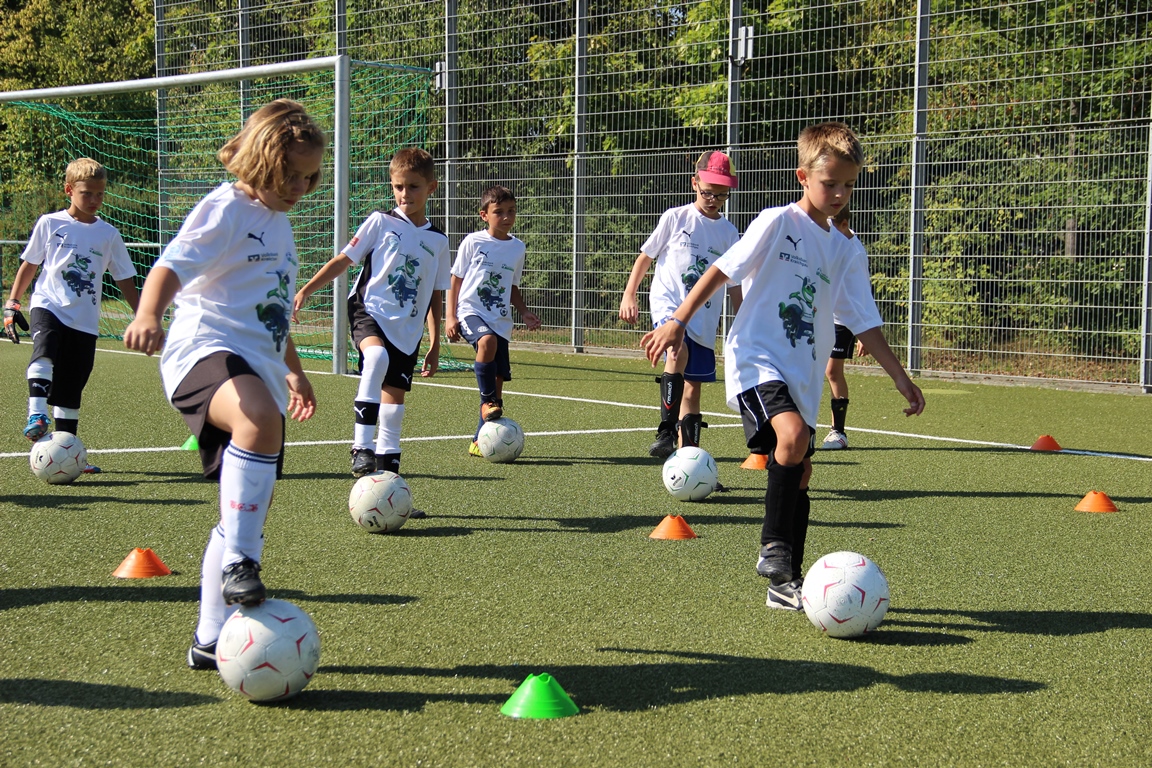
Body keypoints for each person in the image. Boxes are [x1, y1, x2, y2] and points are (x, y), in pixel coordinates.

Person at [642, 122, 924, 610]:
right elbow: (721, 269)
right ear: (802, 177)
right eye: (829, 183)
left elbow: (864, 320)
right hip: (756, 358)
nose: (839, 194)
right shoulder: (777, 222)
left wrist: (900, 377)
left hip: (803, 376)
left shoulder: (847, 250)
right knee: (791, 440)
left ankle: (785, 583)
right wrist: (677, 321)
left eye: (848, 185)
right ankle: (773, 548)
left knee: (803, 471)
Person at [123, 99, 325, 669]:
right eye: (291, 174)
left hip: (254, 366)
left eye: (309, 176)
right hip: (199, 352)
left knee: (241, 501)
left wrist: (294, 367)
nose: (301, 186)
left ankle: (209, 639)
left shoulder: (281, 226)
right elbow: (169, 265)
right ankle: (242, 559)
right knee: (259, 420)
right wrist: (147, 314)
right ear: (261, 160)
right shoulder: (227, 208)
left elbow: (272, 311)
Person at [293, 147, 450, 485]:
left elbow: (435, 294)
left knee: (393, 410)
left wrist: (434, 343)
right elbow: (344, 260)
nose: (404, 194)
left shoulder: (438, 241)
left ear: (431, 188)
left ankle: (389, 487)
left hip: (407, 331)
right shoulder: (381, 222)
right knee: (375, 357)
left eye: (413, 186)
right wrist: (306, 289)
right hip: (369, 310)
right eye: (398, 186)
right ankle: (360, 447)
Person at [5, 157, 141, 474]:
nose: (94, 200)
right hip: (48, 304)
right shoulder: (50, 224)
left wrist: (142, 314)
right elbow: (30, 264)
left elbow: (124, 278)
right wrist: (12, 302)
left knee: (72, 384)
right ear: (69, 190)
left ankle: (69, 455)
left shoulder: (108, 234)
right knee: (45, 350)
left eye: (100, 194)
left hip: (85, 320)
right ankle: (36, 413)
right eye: (86, 193)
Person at [620, 151, 741, 459]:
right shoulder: (676, 217)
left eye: (721, 194)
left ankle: (691, 458)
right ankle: (665, 431)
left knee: (693, 389)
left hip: (703, 319)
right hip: (668, 304)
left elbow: (735, 283)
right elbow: (646, 257)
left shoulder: (728, 233)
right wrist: (629, 294)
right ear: (694, 184)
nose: (713, 199)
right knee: (678, 349)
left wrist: (743, 321)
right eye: (707, 192)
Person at [445, 185, 541, 456]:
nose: (507, 217)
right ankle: (486, 401)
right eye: (499, 212)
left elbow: (512, 285)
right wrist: (450, 315)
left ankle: (479, 440)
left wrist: (523, 312)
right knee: (486, 342)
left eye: (511, 211)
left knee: (497, 381)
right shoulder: (473, 242)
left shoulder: (517, 247)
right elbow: (456, 278)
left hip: (501, 319)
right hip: (470, 311)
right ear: (484, 215)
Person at [820, 204, 870, 450]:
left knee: (832, 371)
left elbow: (862, 293)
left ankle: (838, 432)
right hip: (822, 315)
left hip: (843, 319)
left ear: (844, 223)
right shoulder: (832, 241)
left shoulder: (854, 252)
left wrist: (864, 332)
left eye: (831, 226)